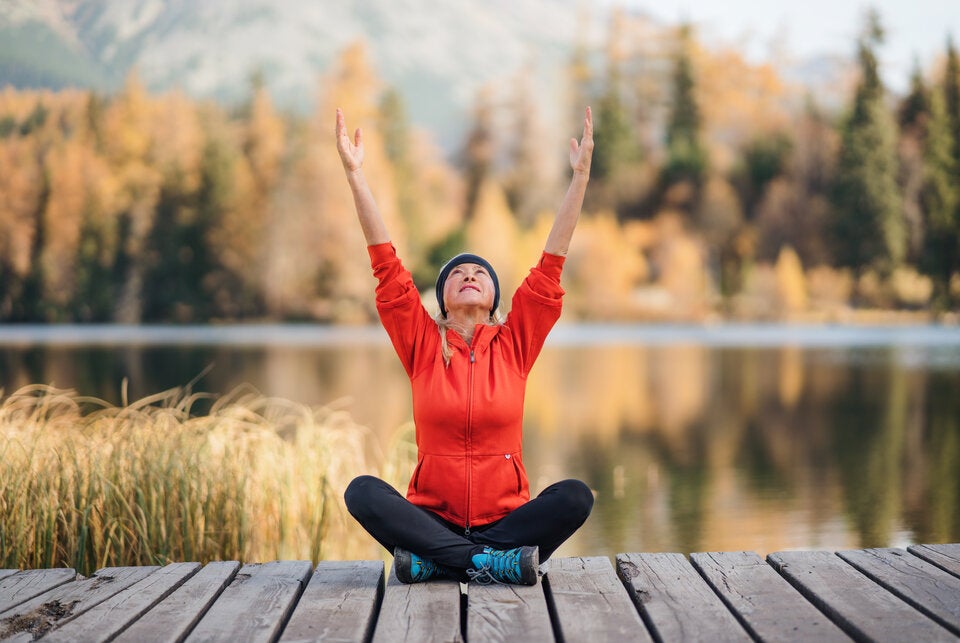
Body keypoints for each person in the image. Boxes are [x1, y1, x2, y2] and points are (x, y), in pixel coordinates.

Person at [338, 105, 595, 585]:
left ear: (496, 298)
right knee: (362, 492)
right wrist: (356, 176)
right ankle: (485, 562)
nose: (470, 275)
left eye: (480, 273)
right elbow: (386, 267)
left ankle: (440, 562)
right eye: (458, 273)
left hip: (507, 520)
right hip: (432, 518)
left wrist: (579, 179)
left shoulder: (516, 344)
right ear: (443, 297)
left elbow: (551, 262)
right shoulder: (420, 344)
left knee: (576, 495)